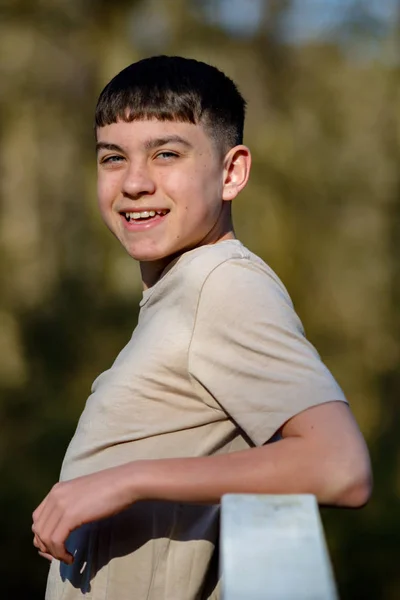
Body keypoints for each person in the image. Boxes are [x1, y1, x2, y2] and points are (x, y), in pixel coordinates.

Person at [32, 55, 372, 600]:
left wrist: (127, 480)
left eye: (167, 154)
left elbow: (339, 466)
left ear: (231, 172)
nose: (135, 182)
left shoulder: (222, 285)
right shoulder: (179, 294)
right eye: (112, 157)